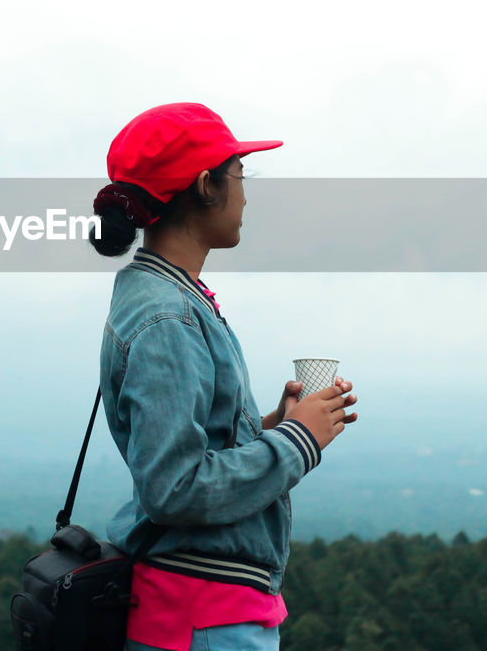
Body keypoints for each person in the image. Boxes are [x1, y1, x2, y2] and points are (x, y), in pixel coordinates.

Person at [89, 102, 358, 651]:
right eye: (240, 175)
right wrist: (297, 441)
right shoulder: (169, 316)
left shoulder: (166, 297)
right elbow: (174, 488)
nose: (245, 195)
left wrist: (269, 425)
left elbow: (187, 445)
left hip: (206, 613)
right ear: (207, 185)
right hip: (202, 620)